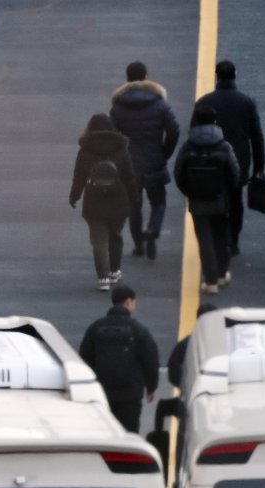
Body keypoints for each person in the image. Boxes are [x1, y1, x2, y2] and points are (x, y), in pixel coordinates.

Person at [110, 61, 180, 261]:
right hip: (154, 161)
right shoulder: (159, 103)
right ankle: (153, 230)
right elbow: (174, 130)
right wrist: (164, 152)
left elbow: (112, 135)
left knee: (134, 206)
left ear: (127, 79)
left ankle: (139, 245)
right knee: (159, 202)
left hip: (130, 165)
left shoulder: (118, 106)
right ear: (146, 77)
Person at [194, 60, 265, 257]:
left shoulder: (204, 101)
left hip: (208, 162)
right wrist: (259, 165)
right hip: (239, 161)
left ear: (216, 75)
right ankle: (233, 241)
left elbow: (193, 132)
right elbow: (256, 136)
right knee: (236, 201)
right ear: (236, 74)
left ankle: (217, 239)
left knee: (213, 200)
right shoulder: (246, 101)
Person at [173, 105, 239, 295]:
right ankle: (221, 274)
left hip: (197, 200)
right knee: (221, 236)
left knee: (204, 240)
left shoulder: (188, 145)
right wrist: (226, 191)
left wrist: (189, 191)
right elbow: (234, 172)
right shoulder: (224, 145)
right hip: (219, 197)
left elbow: (178, 173)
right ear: (215, 122)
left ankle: (210, 281)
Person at [70, 114, 140, 291]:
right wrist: (134, 197)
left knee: (99, 241)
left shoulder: (85, 150)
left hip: (94, 201)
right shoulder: (121, 149)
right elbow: (130, 177)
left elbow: (79, 177)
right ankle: (115, 271)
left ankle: (103, 279)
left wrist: (74, 196)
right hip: (119, 199)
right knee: (115, 236)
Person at [79, 284, 160, 433]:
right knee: (129, 434)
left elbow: (84, 358)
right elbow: (150, 359)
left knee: (105, 433)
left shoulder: (95, 328)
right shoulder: (138, 329)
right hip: (130, 393)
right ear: (129, 302)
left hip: (102, 392)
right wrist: (151, 387)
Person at [166, 303, 217, 390]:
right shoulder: (225, 343)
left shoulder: (186, 344)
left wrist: (184, 386)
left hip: (194, 392)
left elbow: (173, 367)